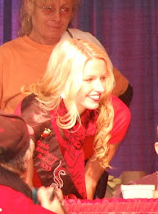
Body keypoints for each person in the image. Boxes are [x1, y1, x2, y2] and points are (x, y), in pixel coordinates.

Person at [0, 0, 132, 133]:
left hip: (76, 157)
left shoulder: (81, 52)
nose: (57, 17)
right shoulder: (2, 58)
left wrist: (95, 153)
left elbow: (123, 96)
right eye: (48, 9)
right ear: (29, 6)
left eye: (65, 10)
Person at [18, 38, 130, 200]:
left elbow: (90, 180)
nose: (100, 88)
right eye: (89, 79)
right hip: (34, 197)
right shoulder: (32, 113)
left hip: (76, 196)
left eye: (103, 78)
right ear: (64, 79)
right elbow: (23, 184)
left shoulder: (116, 114)